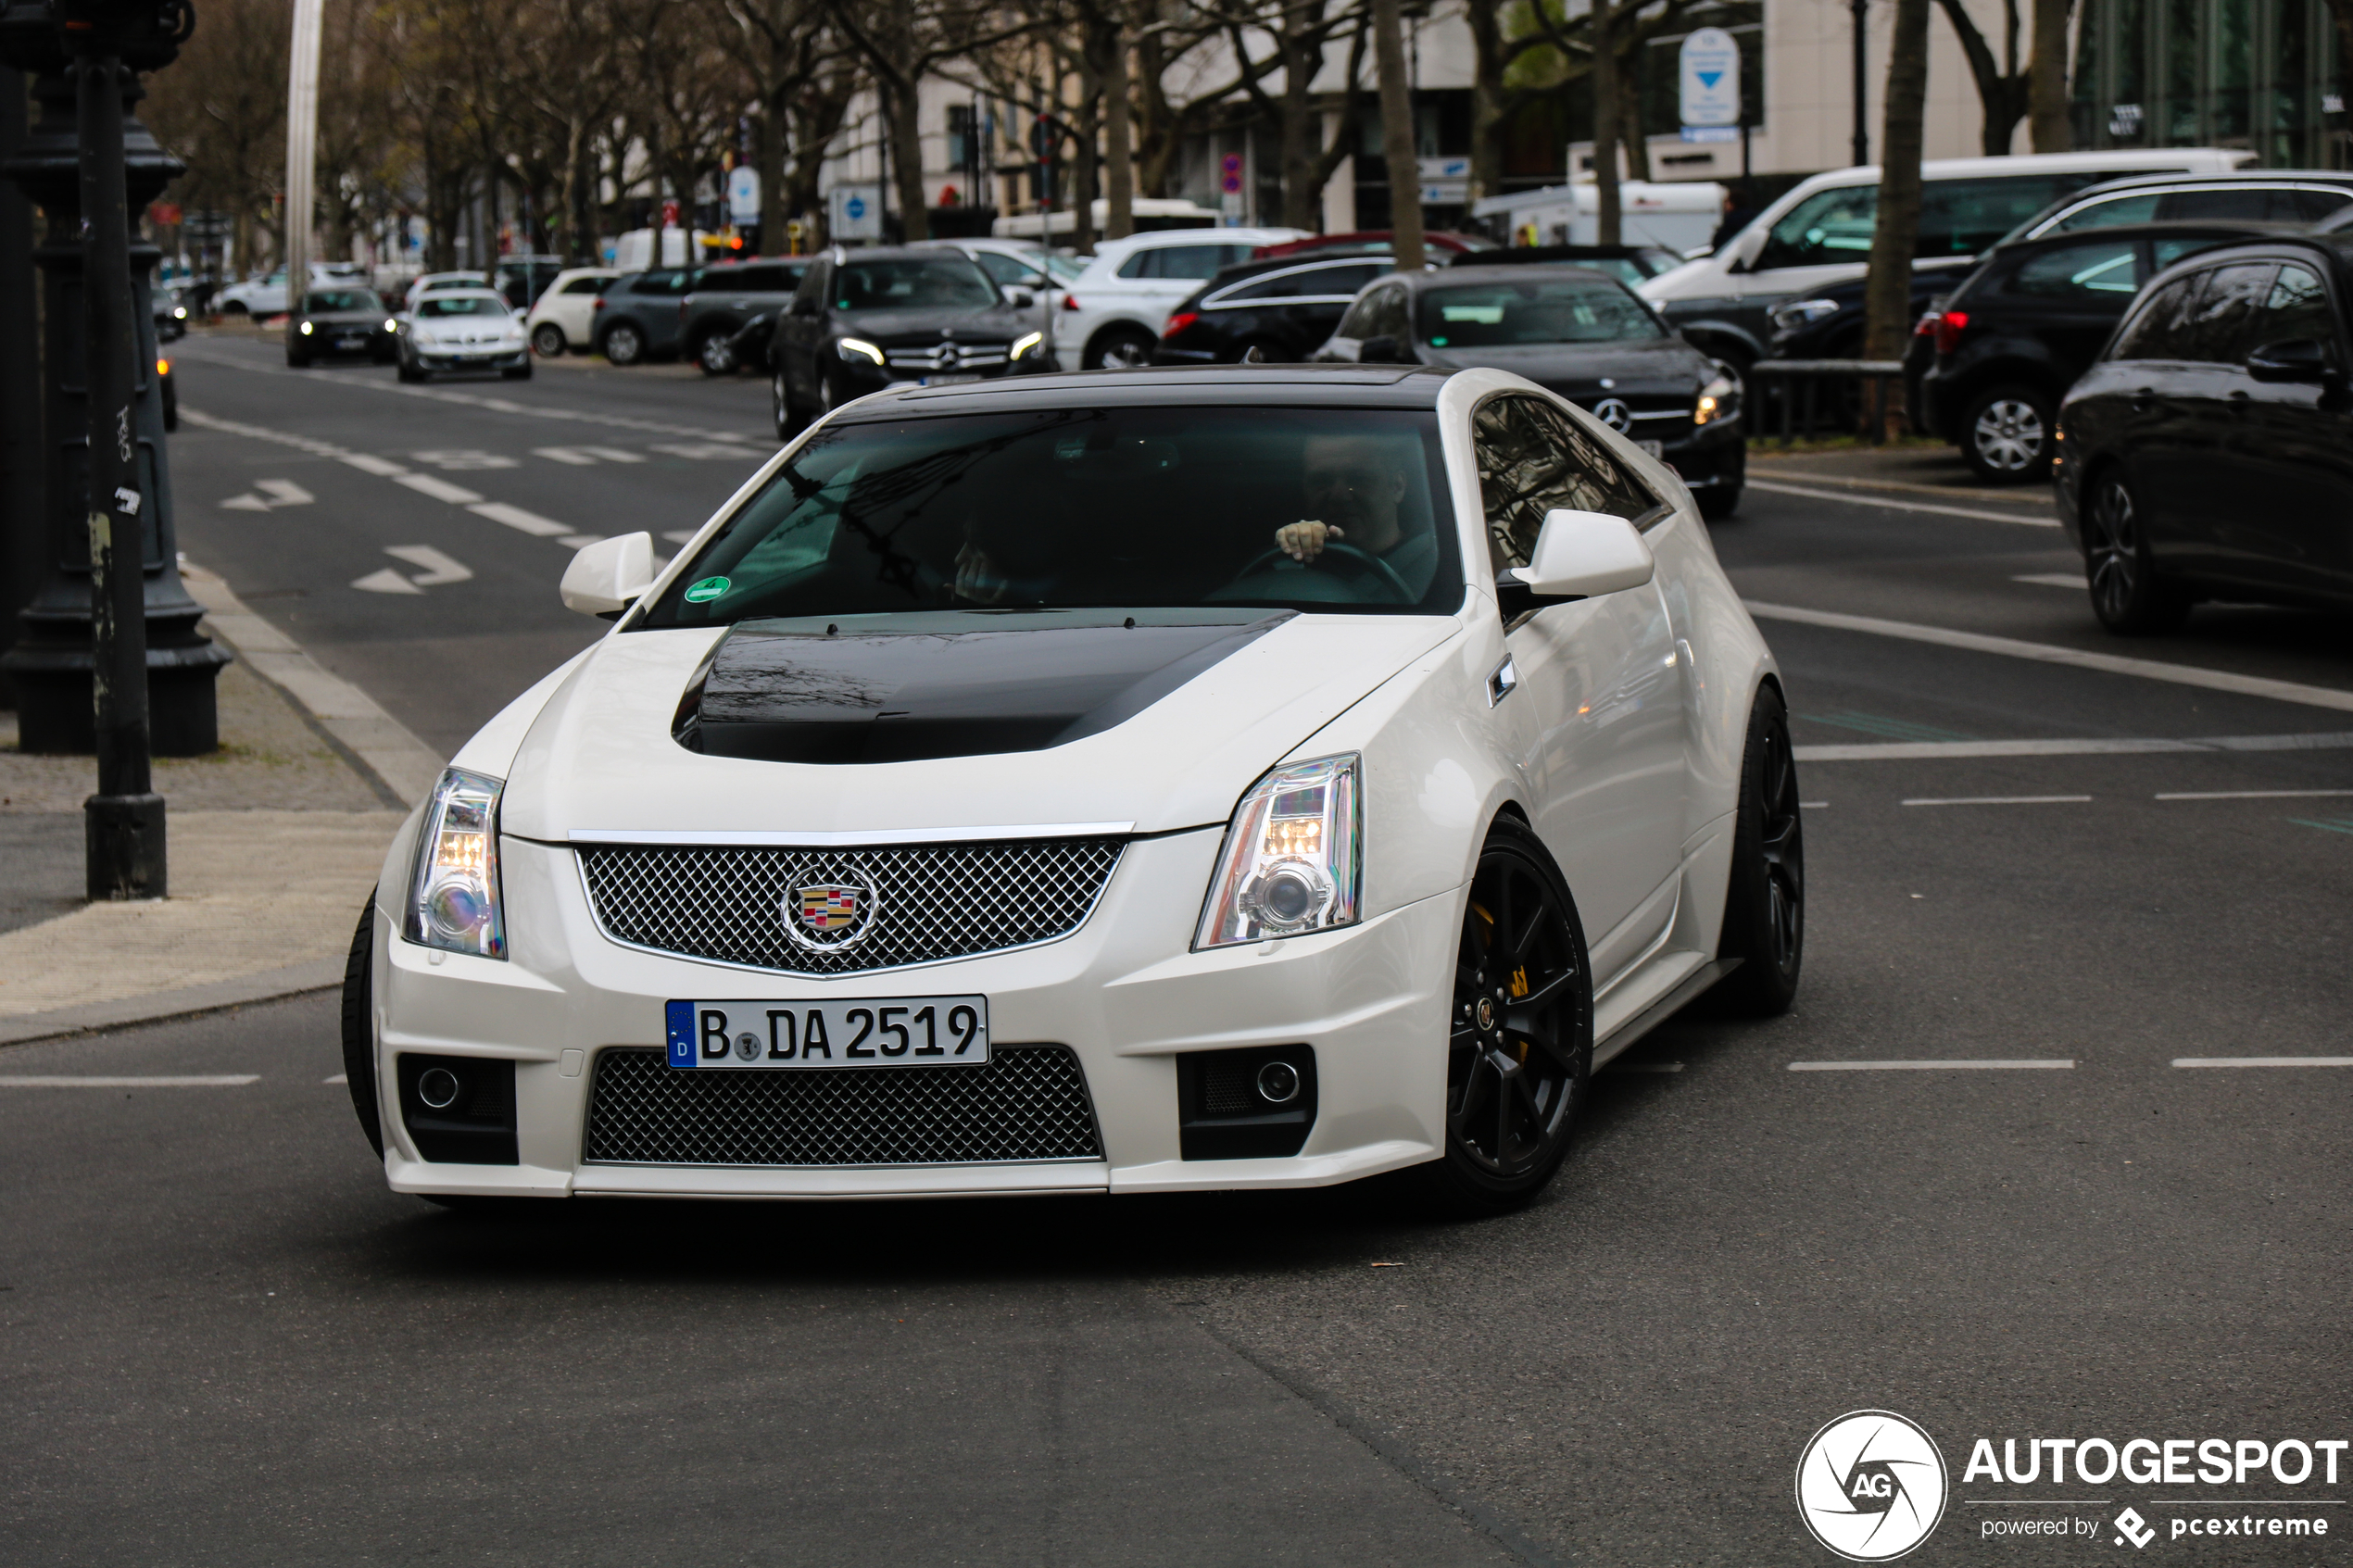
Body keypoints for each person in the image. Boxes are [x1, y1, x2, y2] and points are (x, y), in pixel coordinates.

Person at [1270, 433, 1437, 596]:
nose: (1339, 496)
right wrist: (1295, 547)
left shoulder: (1439, 566)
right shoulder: (1290, 570)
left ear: (1397, 487)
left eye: (1359, 479)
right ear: (1305, 489)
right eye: (1322, 481)